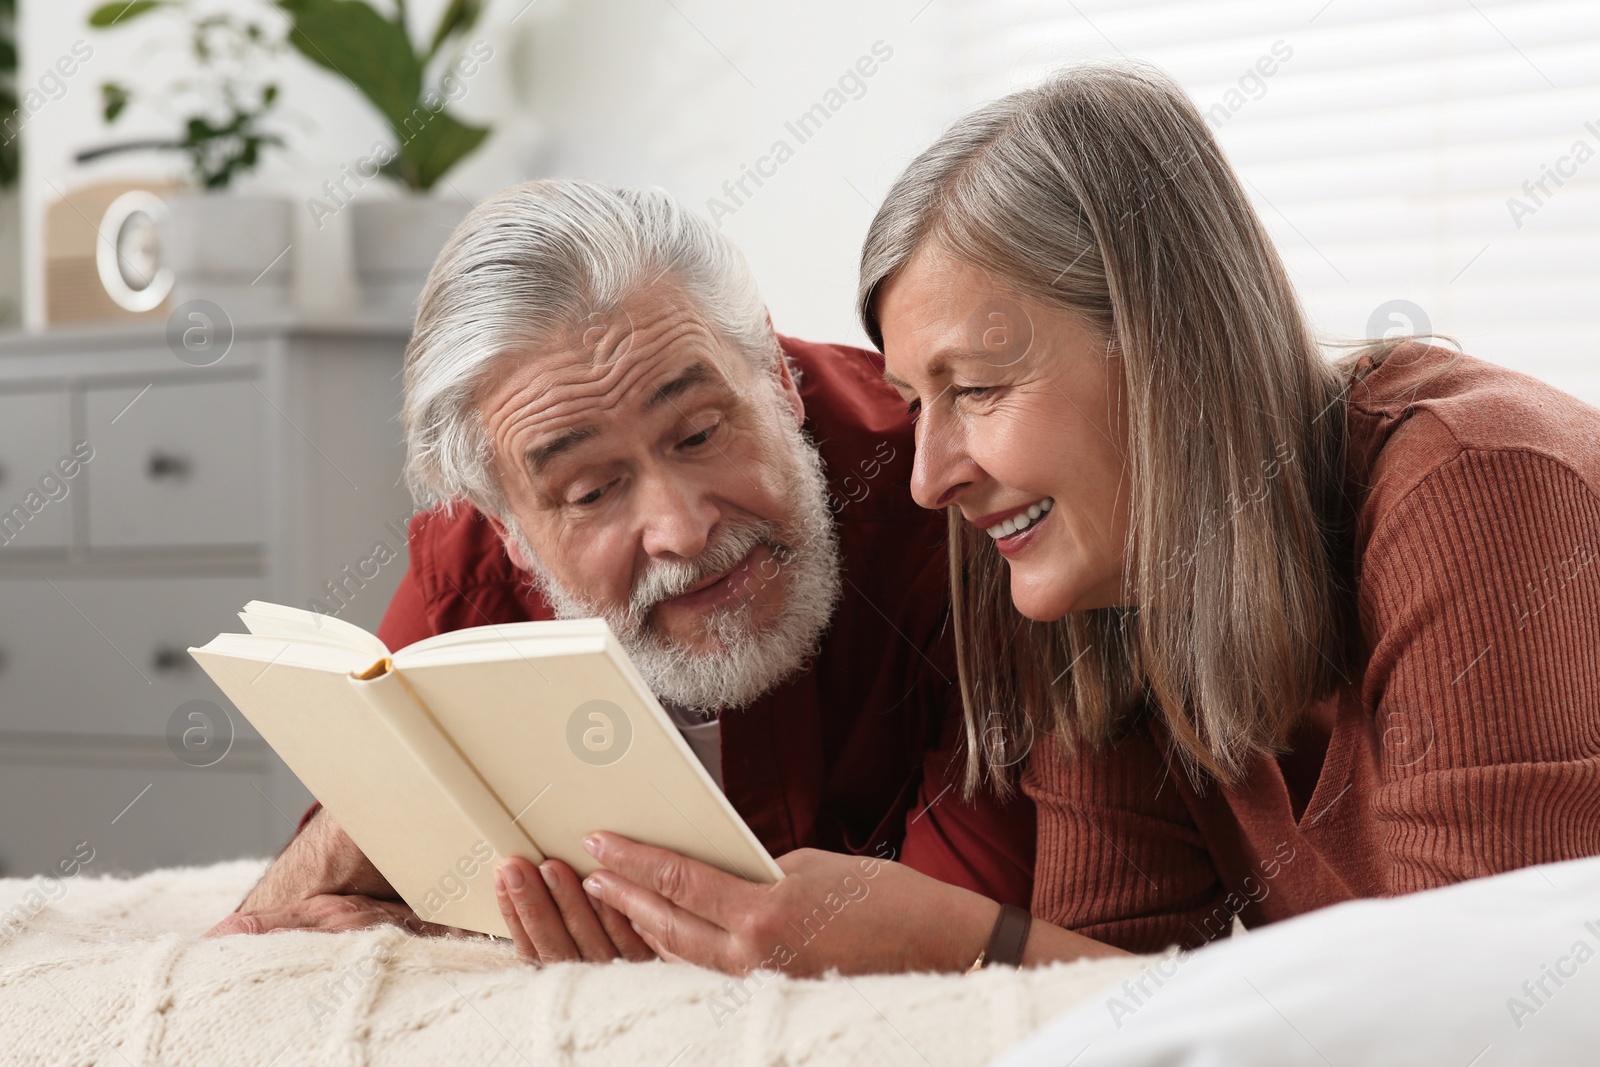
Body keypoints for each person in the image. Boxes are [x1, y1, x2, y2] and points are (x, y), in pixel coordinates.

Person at [568, 62, 1600, 975]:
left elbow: (1479, 1013)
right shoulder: (1103, 574)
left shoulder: (1481, 485)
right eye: (915, 402)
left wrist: (955, 937)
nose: (929, 477)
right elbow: (1117, 991)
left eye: (973, 388)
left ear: (1166, 349)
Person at [205, 180, 1038, 961]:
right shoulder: (469, 573)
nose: (680, 528)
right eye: (593, 490)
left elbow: (958, 938)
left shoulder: (952, 502)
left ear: (778, 380)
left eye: (702, 432)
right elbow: (281, 920)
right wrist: (389, 839)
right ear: (507, 525)